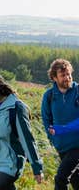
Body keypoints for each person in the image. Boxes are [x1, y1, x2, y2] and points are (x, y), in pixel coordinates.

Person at [41, 58, 79, 190]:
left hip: (77, 147)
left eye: (69, 74)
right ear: (54, 78)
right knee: (76, 182)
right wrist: (54, 140)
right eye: (63, 75)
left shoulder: (78, 91)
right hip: (62, 148)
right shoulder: (49, 96)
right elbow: (47, 120)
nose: (67, 78)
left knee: (60, 178)